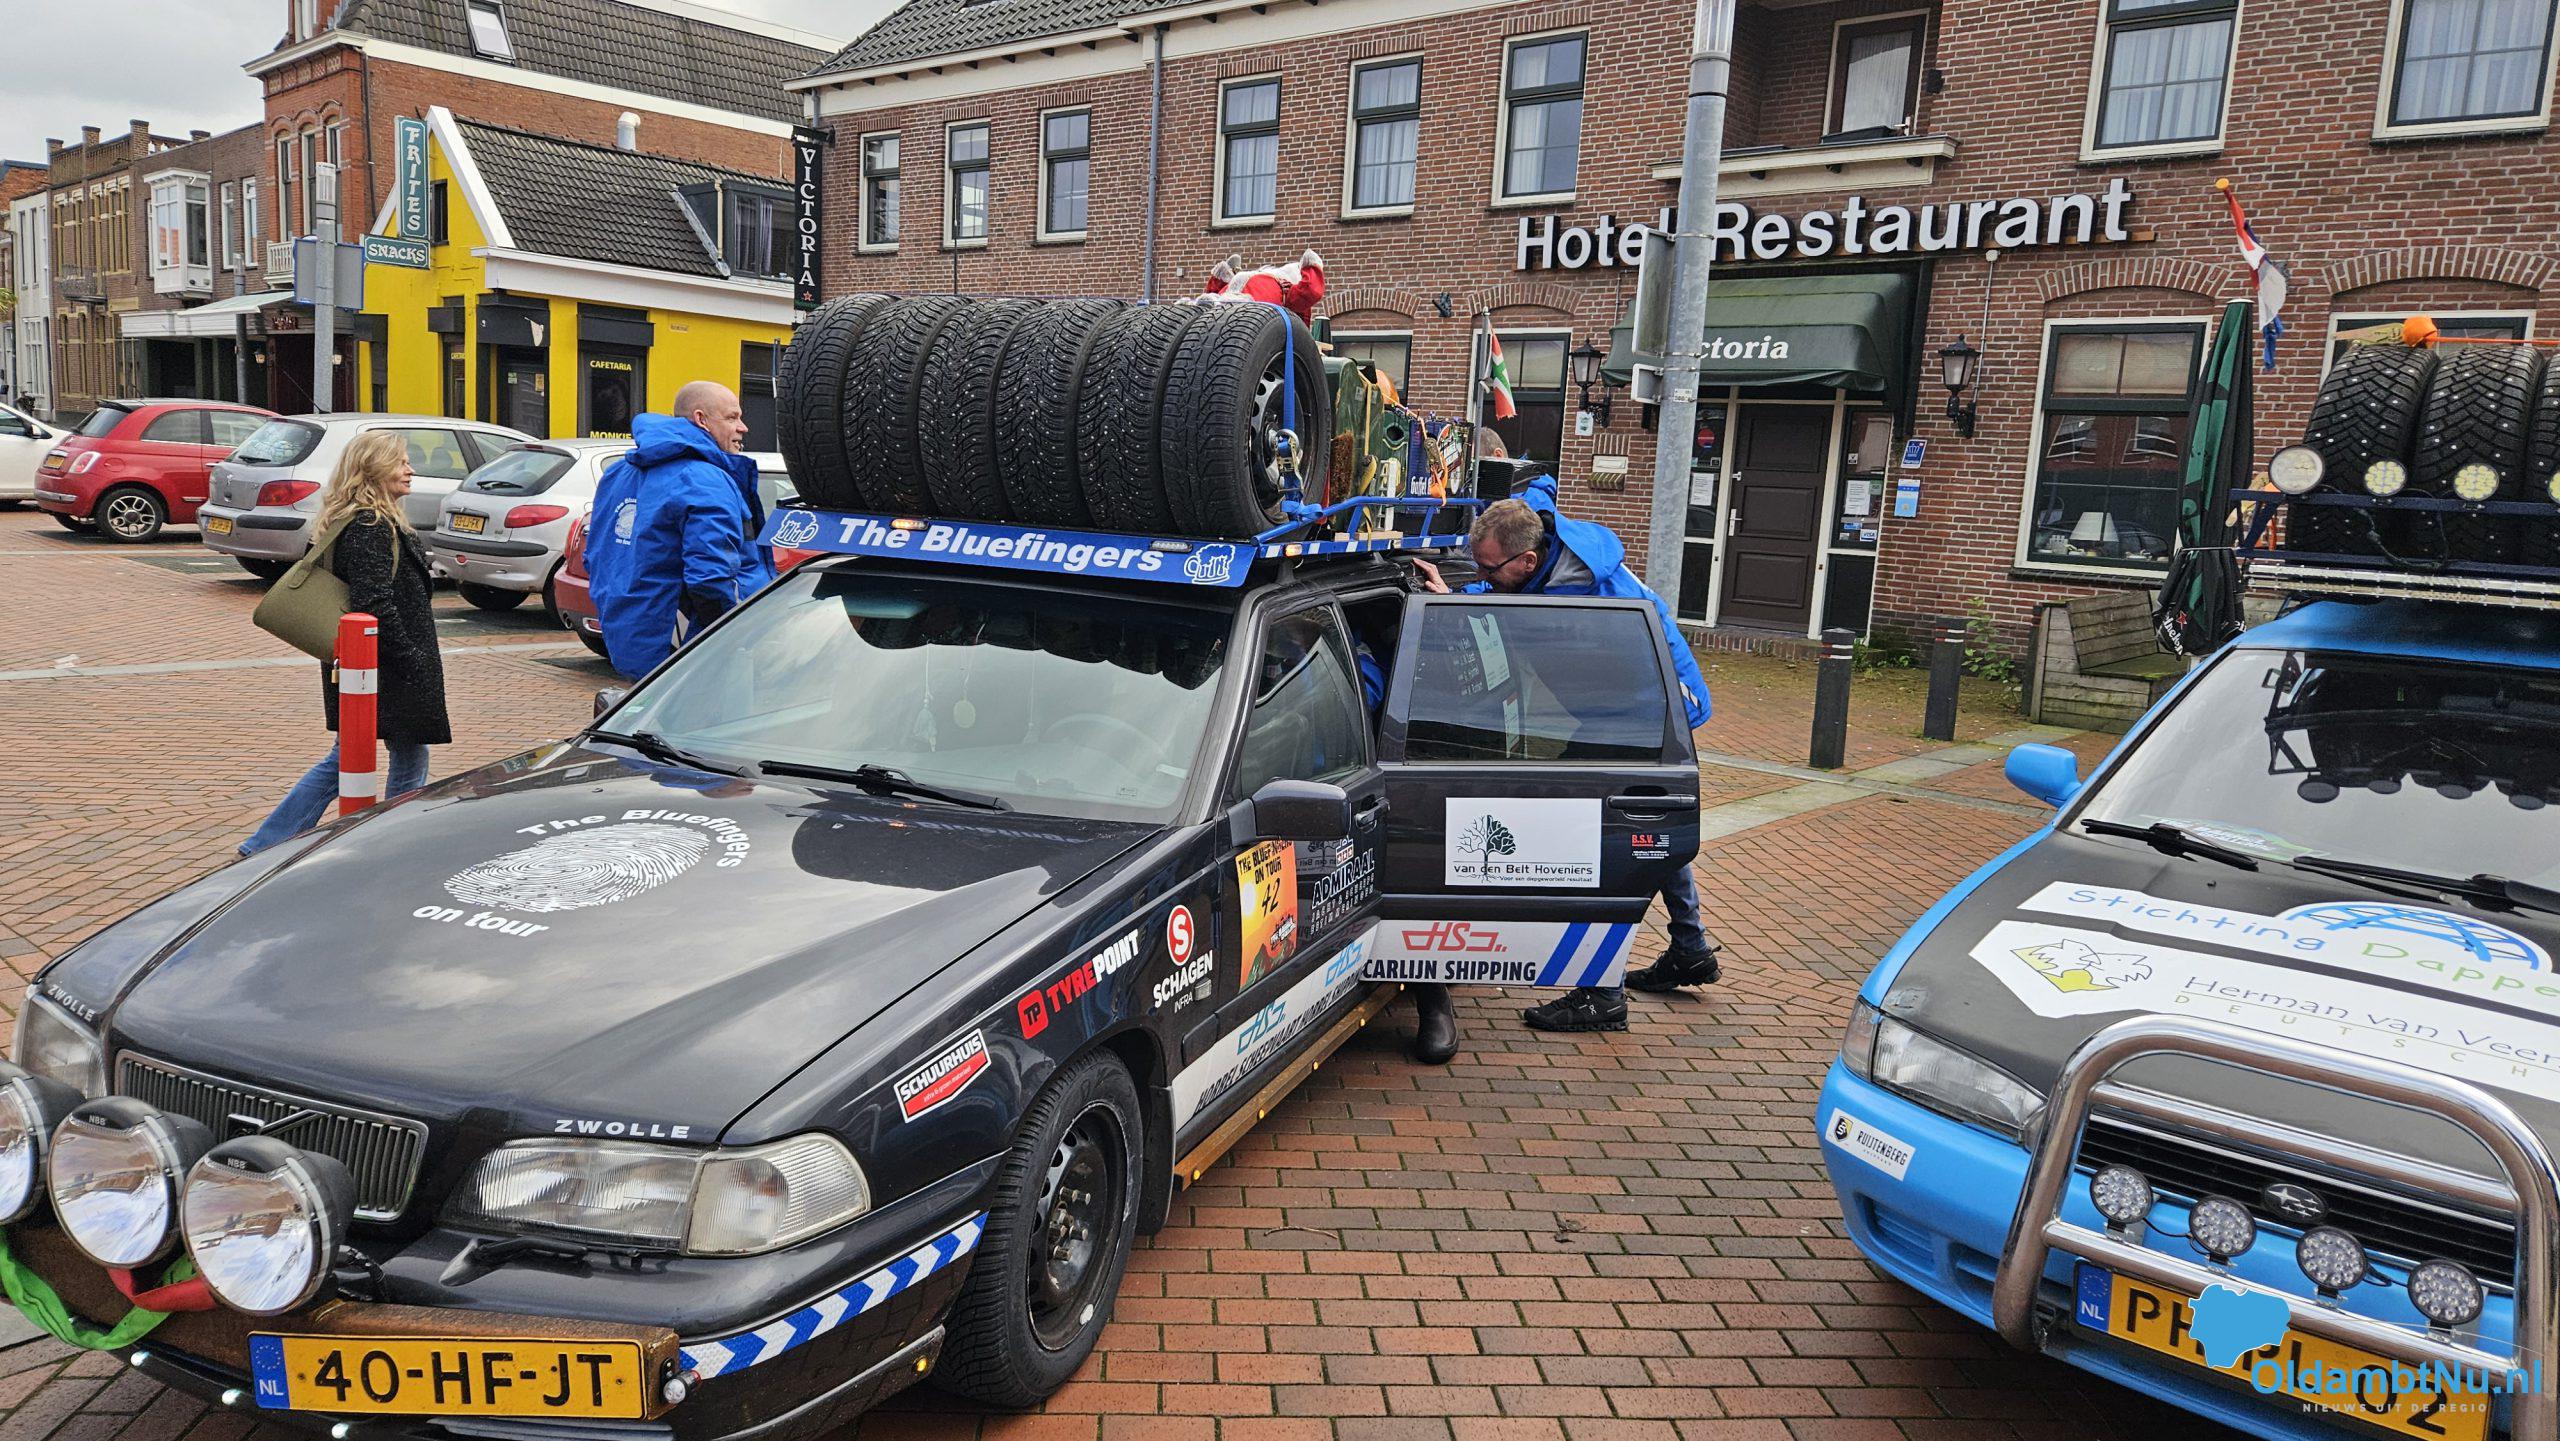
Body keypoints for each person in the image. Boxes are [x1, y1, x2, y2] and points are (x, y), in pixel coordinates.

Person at [1413, 472, 1721, 1034]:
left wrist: (1455, 601)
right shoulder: (1538, 527)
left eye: (1489, 570)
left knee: (1611, 844)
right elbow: (1539, 488)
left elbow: (1511, 618)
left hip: (1647, 709)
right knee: (1654, 827)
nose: (1482, 576)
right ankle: (1690, 947)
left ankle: (1602, 995)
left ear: (1528, 562)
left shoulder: (1571, 598)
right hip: (1622, 704)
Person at [241, 432, 448, 855]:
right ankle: (388, 840)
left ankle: (269, 841)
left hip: (370, 660)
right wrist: (411, 659)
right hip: (382, 663)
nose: (410, 470)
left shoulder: (364, 521)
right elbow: (374, 602)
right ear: (373, 469)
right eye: (401, 462)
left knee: (364, 754)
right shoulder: (371, 526)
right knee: (393, 755)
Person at [585, 381, 773, 679]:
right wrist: (731, 638)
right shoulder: (705, 480)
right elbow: (711, 579)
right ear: (701, 420)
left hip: (634, 639)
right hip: (690, 653)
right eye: (732, 417)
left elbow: (597, 556)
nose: (743, 427)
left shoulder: (618, 473)